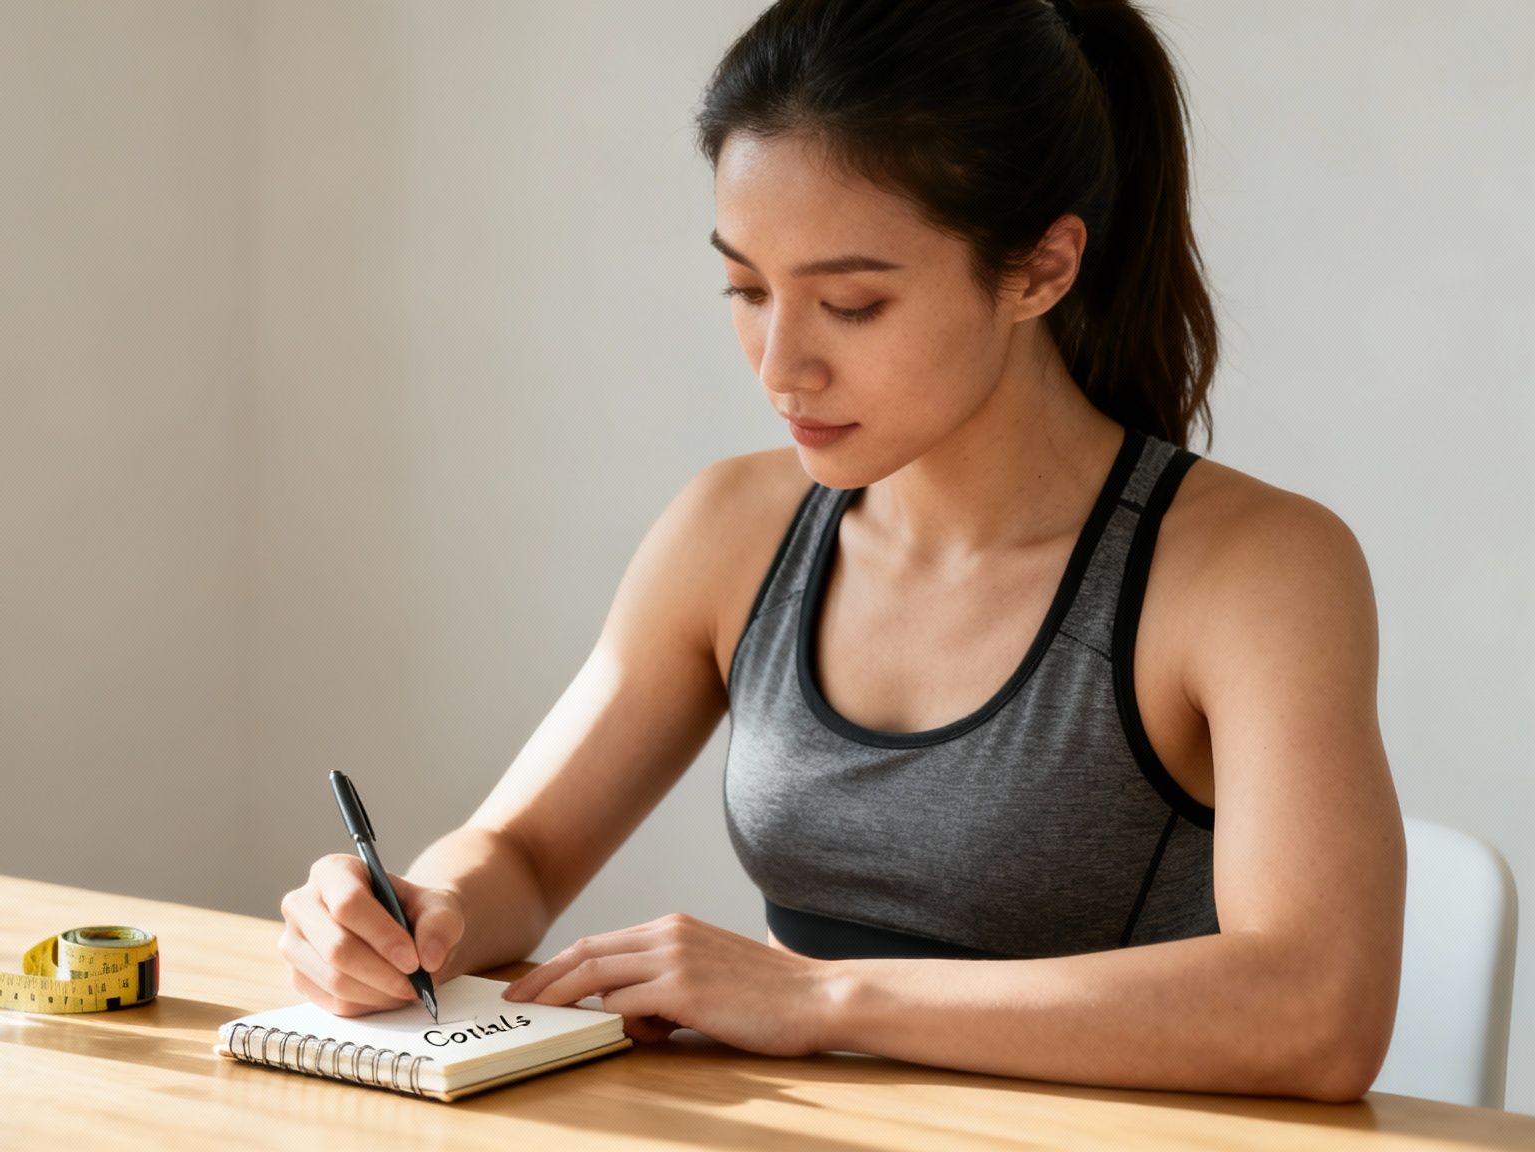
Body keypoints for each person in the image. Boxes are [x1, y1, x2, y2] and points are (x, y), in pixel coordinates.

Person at [277, 0, 1403, 1103]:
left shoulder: (1253, 570)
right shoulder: (732, 529)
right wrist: (415, 913)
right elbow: (518, 854)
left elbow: (1317, 1009)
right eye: (745, 287)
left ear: (1039, 270)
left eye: (851, 304)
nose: (780, 368)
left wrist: (819, 1001)